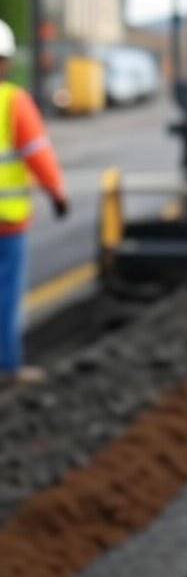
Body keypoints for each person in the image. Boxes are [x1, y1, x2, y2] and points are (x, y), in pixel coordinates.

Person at [0, 19, 69, 385]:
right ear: (6, 62)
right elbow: (37, 154)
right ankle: (8, 367)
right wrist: (57, 193)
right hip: (6, 222)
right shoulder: (13, 101)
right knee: (6, 297)